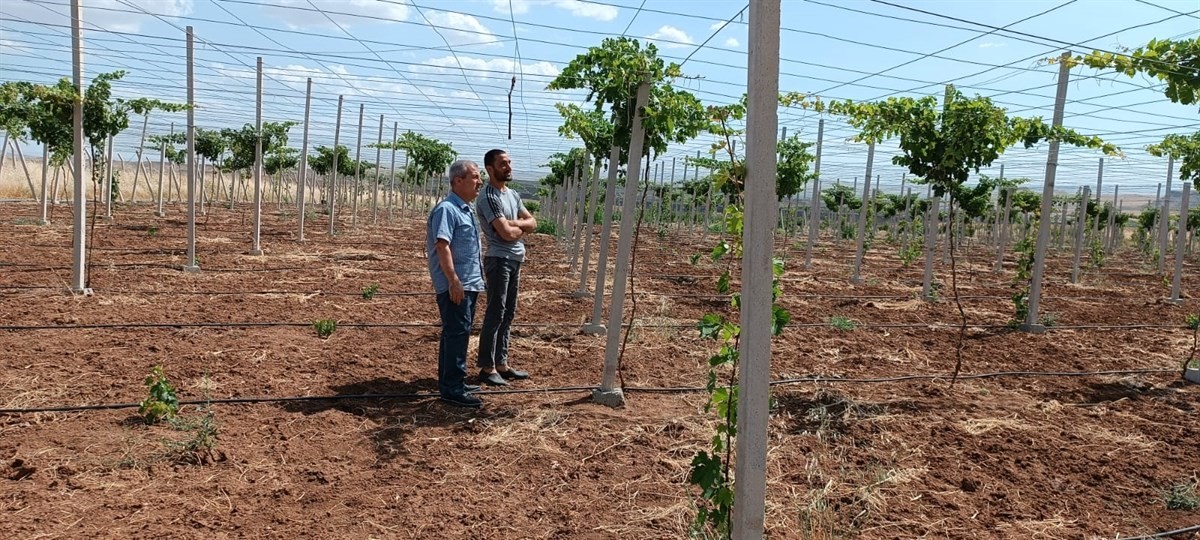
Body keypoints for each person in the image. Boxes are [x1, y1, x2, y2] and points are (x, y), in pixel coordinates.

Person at [427, 160, 486, 407]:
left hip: (470, 282)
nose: (479, 182)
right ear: (457, 181)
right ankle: (452, 389)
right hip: (457, 284)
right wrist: (453, 281)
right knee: (457, 333)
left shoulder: (465, 209)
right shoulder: (447, 210)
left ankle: (454, 381)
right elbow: (443, 246)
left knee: (458, 333)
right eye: (474, 177)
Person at [476, 149, 537, 386]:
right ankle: (487, 367)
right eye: (503, 164)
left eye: (509, 162)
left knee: (508, 312)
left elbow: (533, 223)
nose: (508, 167)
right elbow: (506, 233)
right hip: (498, 259)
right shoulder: (489, 196)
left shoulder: (512, 194)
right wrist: (518, 227)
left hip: (514, 259)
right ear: (490, 169)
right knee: (495, 312)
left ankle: (502, 363)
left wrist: (514, 224)